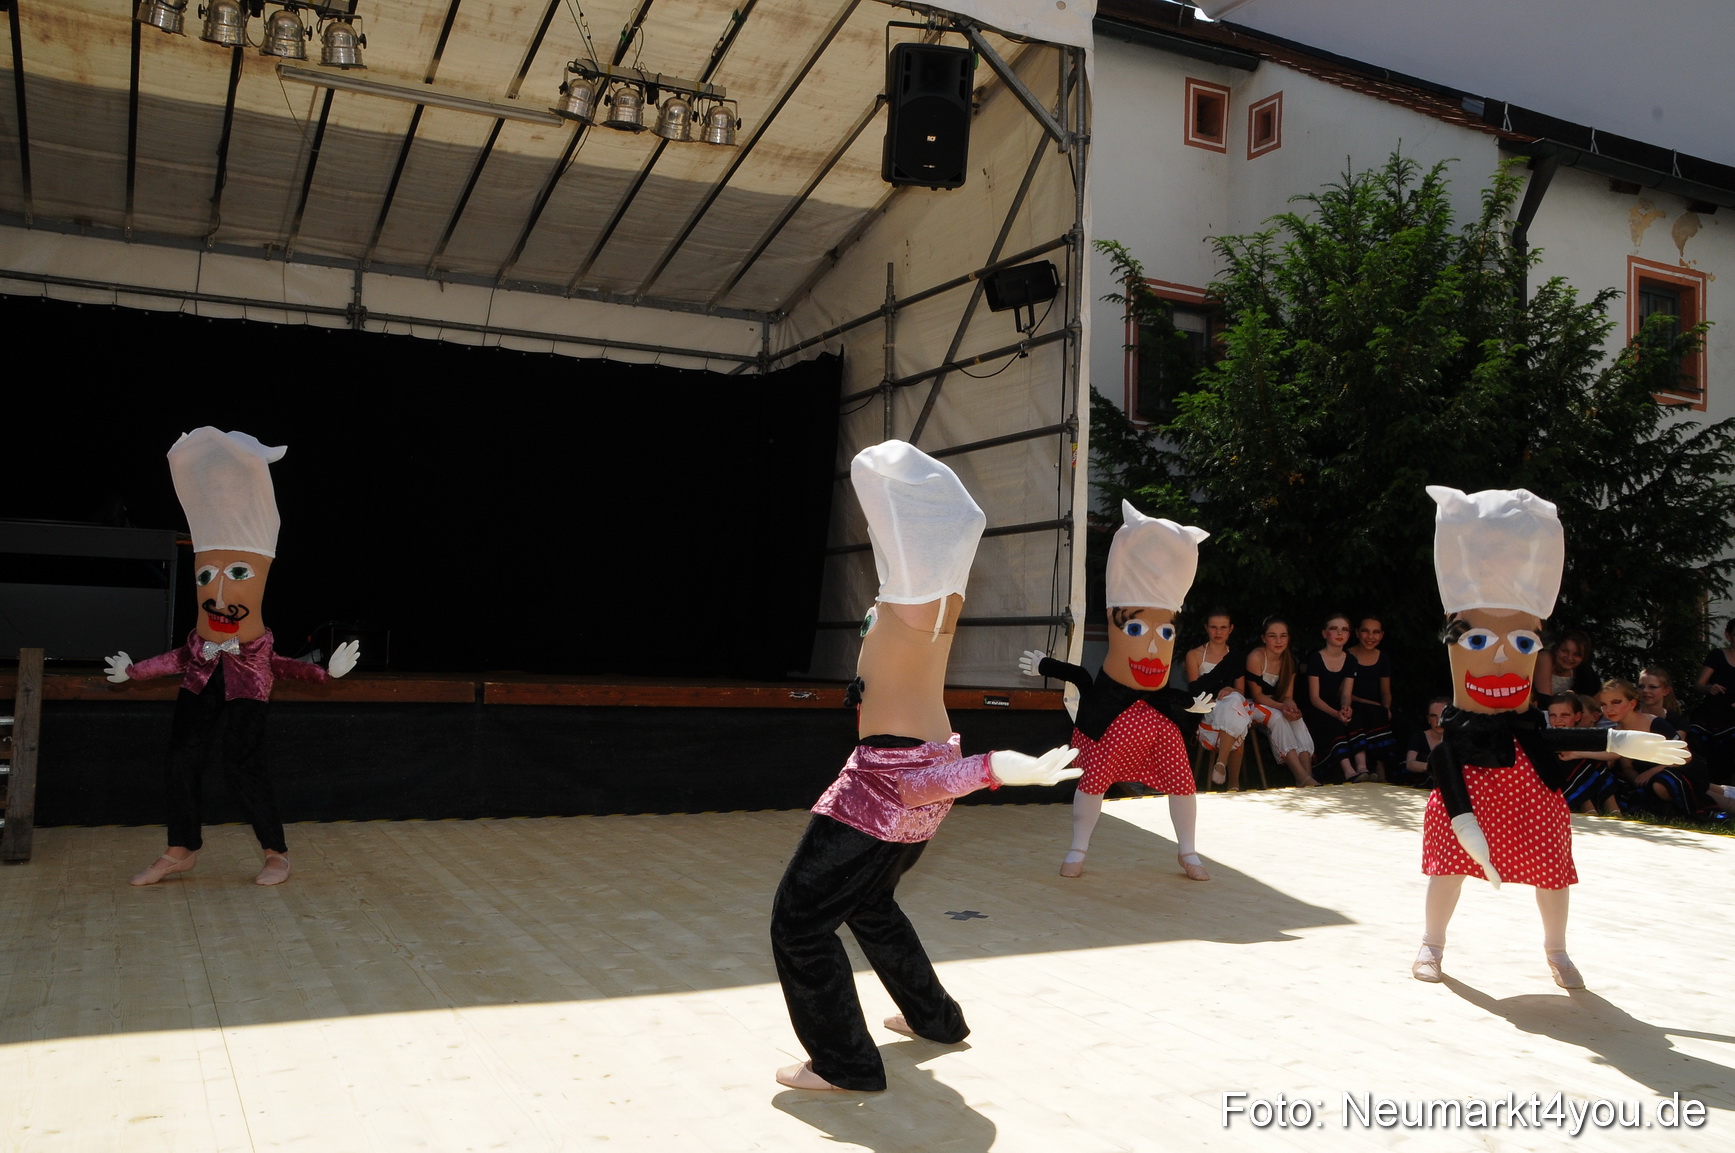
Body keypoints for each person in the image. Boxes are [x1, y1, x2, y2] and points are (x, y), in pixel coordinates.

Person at [769, 441, 1081, 1093]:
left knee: (799, 920)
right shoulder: (931, 602)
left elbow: (869, 470)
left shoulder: (915, 607)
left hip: (884, 787)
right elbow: (887, 500)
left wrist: (993, 766)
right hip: (911, 772)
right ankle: (934, 1017)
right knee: (871, 905)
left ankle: (845, 1062)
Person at [1412, 487, 1686, 991]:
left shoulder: (1528, 723)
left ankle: (1557, 951)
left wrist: (1623, 740)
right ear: (1454, 637)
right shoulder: (1460, 731)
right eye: (1477, 642)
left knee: (1553, 872)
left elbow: (1551, 734)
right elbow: (1449, 771)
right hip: (1470, 797)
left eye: (1520, 643)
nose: (1500, 658)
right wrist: (1470, 832)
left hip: (1532, 793)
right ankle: (1431, 944)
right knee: (1449, 866)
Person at [104, 429, 360, 888]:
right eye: (209, 576)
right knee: (181, 760)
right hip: (200, 676)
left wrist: (323, 672)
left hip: (247, 682)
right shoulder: (200, 622)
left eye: (236, 574)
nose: (219, 593)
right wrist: (132, 672)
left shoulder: (256, 554)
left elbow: (281, 663)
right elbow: (180, 656)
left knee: (242, 763)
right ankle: (180, 850)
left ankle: (275, 853)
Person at [1020, 502, 1214, 881]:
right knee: (1094, 782)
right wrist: (1047, 665)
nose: (1157, 647)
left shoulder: (1166, 631)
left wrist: (1188, 703)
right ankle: (1078, 847)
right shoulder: (1117, 612)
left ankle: (1188, 850)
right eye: (1138, 630)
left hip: (1157, 723)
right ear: (1114, 620)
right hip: (1110, 720)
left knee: (1182, 780)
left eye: (1167, 634)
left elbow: (1166, 691)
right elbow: (1081, 677)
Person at [1598, 679, 1701, 819]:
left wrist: (1652, 772)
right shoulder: (1616, 732)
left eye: (1616, 702)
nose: (1608, 709)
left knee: (1662, 783)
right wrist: (1636, 779)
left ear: (1632, 703)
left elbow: (1685, 755)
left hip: (1676, 768)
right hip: (1646, 777)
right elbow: (1627, 766)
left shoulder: (1654, 723)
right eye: (1603, 705)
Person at [1246, 617, 1319, 786]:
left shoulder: (1290, 661)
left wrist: (1292, 708)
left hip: (1276, 705)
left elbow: (1287, 696)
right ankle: (1299, 775)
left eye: (1283, 636)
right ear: (1264, 638)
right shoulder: (1256, 658)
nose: (1278, 641)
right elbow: (1257, 696)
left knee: (1296, 718)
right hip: (1251, 705)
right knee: (1278, 717)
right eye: (1272, 636)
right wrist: (1282, 707)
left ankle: (1308, 775)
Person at [1185, 610, 1251, 789]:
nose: (1218, 632)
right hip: (1207, 708)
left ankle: (1221, 764)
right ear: (1206, 628)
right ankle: (1233, 784)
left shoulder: (1235, 656)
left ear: (1230, 629)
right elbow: (1194, 690)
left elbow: (1240, 691)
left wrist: (1230, 689)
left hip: (1230, 704)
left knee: (1233, 701)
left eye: (1223, 627)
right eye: (1213, 627)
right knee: (1236, 714)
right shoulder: (1194, 655)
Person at [1304, 614, 1359, 782]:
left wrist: (1345, 707)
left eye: (1344, 629)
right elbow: (1314, 698)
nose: (1339, 633)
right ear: (1324, 633)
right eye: (1334, 629)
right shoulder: (1315, 658)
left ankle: (1363, 767)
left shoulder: (1351, 660)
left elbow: (1345, 694)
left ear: (1349, 635)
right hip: (1315, 707)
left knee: (1356, 718)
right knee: (1333, 723)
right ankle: (1348, 770)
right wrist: (1336, 714)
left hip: (1334, 705)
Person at [1548, 695, 1620, 816]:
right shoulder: (1547, 735)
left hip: (1591, 781)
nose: (1558, 720)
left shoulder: (1584, 734)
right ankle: (1588, 808)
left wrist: (1577, 754)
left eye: (1564, 715)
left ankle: (1613, 809)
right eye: (1553, 715)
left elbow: (1616, 754)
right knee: (1565, 763)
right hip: (1559, 785)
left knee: (1594, 761)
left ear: (1577, 716)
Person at [1347, 616, 1397, 779]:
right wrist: (1376, 706)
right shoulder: (1347, 656)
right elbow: (1345, 693)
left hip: (1375, 707)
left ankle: (1382, 768)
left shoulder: (1383, 658)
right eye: (1365, 631)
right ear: (1357, 633)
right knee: (1363, 713)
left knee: (1382, 715)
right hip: (1353, 703)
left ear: (1382, 635)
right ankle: (1362, 767)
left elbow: (1385, 692)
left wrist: (1386, 707)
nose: (1370, 637)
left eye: (1376, 632)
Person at [1690, 619, 1735, 788]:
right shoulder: (1717, 655)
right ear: (1728, 636)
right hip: (1713, 711)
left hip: (1733, 715)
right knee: (1695, 734)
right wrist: (1710, 688)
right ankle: (1702, 783)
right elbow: (1698, 685)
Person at [1532, 630, 1598, 705]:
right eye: (1564, 651)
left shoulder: (1584, 671)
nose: (1569, 658)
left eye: (1576, 654)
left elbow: (1594, 703)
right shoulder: (1545, 658)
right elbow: (1544, 699)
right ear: (1556, 649)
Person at [1399, 697, 1448, 788]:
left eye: (1442, 715)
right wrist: (1433, 767)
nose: (1438, 721)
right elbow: (1410, 763)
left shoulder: (1458, 739)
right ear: (1428, 719)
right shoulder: (1418, 737)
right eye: (1433, 716)